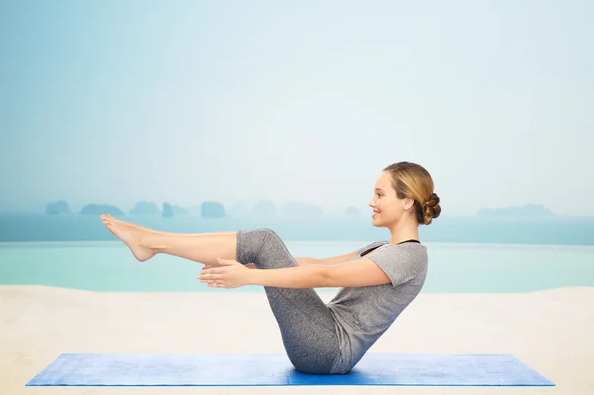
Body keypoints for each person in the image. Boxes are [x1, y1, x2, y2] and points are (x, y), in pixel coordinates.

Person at [99, 161, 441, 375]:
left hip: (329, 350)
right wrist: (248, 262)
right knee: (261, 246)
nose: (371, 201)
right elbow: (314, 264)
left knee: (264, 240)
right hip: (322, 338)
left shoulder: (411, 257)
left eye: (380, 194)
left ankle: (151, 243)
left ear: (407, 201)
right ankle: (153, 243)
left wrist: (249, 277)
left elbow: (325, 277)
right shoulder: (381, 248)